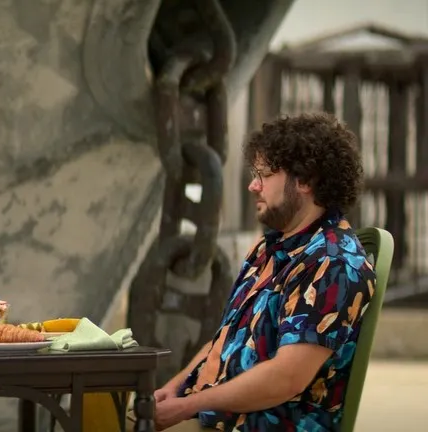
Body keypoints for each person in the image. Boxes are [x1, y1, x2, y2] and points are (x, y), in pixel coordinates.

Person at [130, 112, 376, 431]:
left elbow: (286, 378)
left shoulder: (333, 263)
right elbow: (224, 341)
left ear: (305, 180)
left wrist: (188, 406)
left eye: (264, 174)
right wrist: (174, 390)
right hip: (219, 416)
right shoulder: (269, 249)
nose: (253, 185)